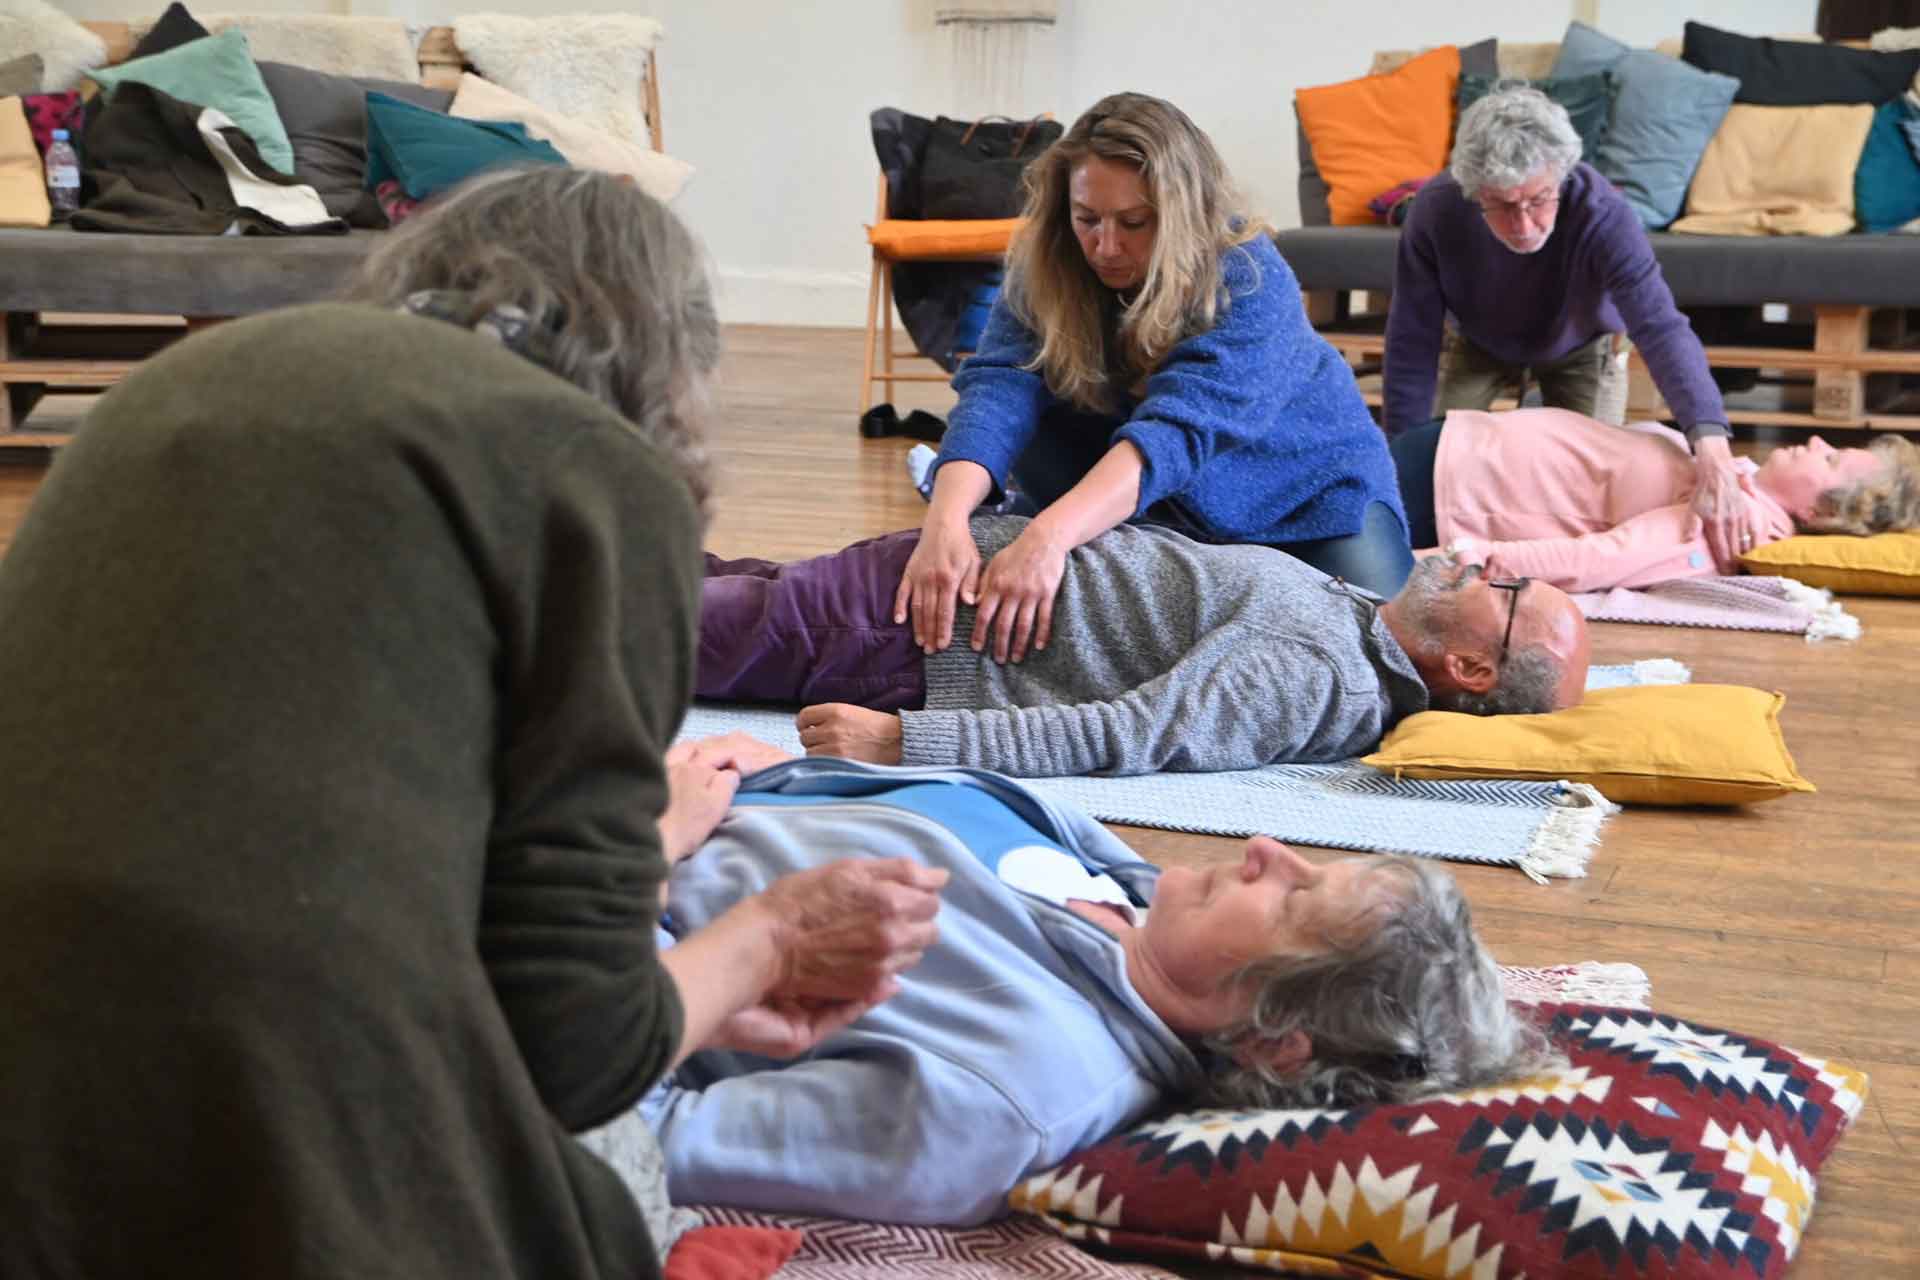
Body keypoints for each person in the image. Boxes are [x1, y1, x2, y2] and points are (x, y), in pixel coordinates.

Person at [0, 168, 947, 1280]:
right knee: (614, 1173)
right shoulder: (596, 477)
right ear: (670, 361)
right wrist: (768, 944)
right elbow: (579, 1047)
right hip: (266, 1187)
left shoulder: (171, 387)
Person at [622, 744, 1565, 1227]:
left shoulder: (1012, 1089)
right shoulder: (1132, 898)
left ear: (1275, 1039)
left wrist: (643, 856)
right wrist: (765, 774)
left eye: (1294, 899)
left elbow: (626, 1123)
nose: (1266, 850)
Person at [905, 90, 1412, 670]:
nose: (1105, 245)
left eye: (1135, 222)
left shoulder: (1246, 272)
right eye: (1087, 218)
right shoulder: (1047, 259)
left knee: (1387, 661)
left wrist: (1047, 537)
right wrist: (945, 521)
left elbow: (1176, 435)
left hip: (1305, 495)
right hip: (1158, 503)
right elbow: (999, 386)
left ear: (1183, 213)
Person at [697, 516, 1591, 777]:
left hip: (910, 634)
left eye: (1504, 592)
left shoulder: (1318, 678)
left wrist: (903, 744)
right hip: (939, 577)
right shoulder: (1366, 622)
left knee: (622, 626)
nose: (1482, 565)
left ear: (1472, 670)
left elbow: (1130, 733)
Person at [1385, 84, 1770, 574]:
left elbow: (1659, 325)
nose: (1523, 225)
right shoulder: (1435, 211)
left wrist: (1711, 443)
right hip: (1478, 338)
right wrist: (1395, 456)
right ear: (1473, 190)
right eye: (1502, 205)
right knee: (1432, 463)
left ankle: (1540, 569)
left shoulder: (1603, 212)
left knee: (1586, 494)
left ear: (1562, 178)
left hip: (1582, 342)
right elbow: (1411, 339)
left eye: (1539, 199)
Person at [1390, 408, 1920, 592]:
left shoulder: (1728, 528)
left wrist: (1463, 558)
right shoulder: (1739, 487)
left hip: (1445, 487)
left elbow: (1597, 560)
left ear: (1819, 514)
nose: (1818, 442)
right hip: (1459, 455)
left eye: (1830, 461)